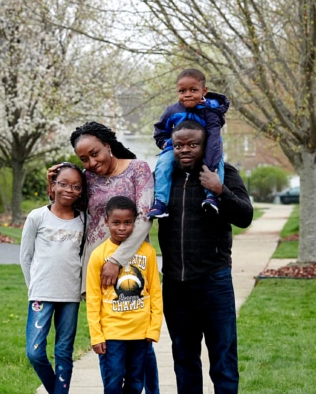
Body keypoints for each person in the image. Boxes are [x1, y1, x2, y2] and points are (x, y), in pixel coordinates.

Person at [48, 121, 160, 394]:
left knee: (139, 342)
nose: (91, 162)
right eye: (83, 158)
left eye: (95, 153)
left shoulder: (138, 169)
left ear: (108, 146)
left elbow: (145, 220)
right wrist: (55, 179)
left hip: (132, 262)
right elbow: (65, 200)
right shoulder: (87, 178)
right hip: (96, 264)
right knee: (108, 342)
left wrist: (117, 260)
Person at [157, 120, 253, 394]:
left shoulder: (224, 173)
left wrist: (221, 190)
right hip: (175, 285)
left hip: (214, 282)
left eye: (192, 144)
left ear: (205, 145)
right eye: (178, 145)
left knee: (223, 359)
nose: (184, 150)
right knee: (184, 359)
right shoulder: (164, 178)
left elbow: (245, 216)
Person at [20, 162, 87, 394]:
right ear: (53, 185)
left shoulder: (83, 220)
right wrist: (34, 288)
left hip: (70, 295)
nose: (69, 190)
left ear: (81, 191)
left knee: (63, 352)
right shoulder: (37, 216)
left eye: (76, 186)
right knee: (35, 352)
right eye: (64, 184)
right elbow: (25, 258)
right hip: (41, 293)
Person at [86, 196, 163, 394]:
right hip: (112, 334)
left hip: (141, 332)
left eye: (127, 223)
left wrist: (154, 329)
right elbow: (93, 300)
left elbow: (155, 292)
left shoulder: (147, 252)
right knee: (113, 381)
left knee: (136, 382)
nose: (122, 228)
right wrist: (96, 335)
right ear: (106, 222)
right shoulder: (98, 255)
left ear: (135, 222)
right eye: (116, 223)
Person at [147, 68, 229, 219]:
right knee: (163, 164)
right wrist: (164, 143)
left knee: (217, 164)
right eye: (182, 91)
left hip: (207, 145)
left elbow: (213, 138)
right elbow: (160, 128)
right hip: (176, 146)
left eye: (193, 90)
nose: (188, 94)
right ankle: (160, 202)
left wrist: (210, 164)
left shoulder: (211, 111)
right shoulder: (172, 110)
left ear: (204, 91)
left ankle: (211, 197)